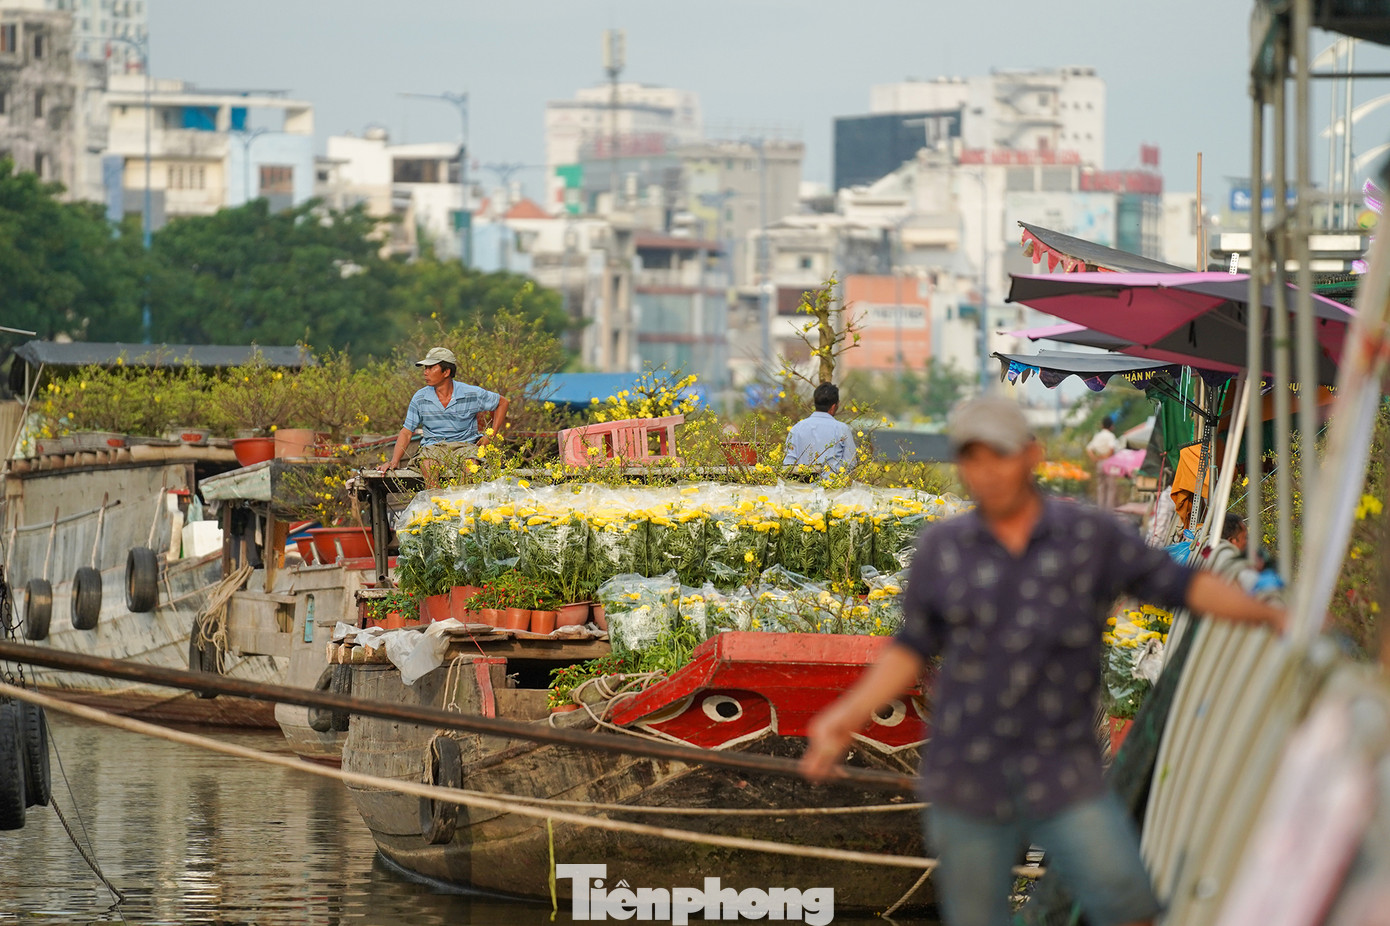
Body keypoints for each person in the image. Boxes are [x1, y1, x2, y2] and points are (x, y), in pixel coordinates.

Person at [800, 395, 1284, 926]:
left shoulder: (1089, 538)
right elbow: (911, 649)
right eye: (972, 458)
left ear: (1032, 454)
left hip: (1063, 770)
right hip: (967, 774)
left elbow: (1183, 586)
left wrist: (1270, 617)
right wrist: (844, 717)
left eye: (999, 456)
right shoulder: (944, 548)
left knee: (1131, 905)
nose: (985, 472)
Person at [378, 347, 509, 487]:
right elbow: (406, 431)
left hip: (465, 445)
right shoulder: (420, 398)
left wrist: (491, 435)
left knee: (469, 469)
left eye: (430, 368)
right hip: (433, 447)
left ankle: (461, 506)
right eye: (425, 368)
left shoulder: (470, 393)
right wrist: (394, 461)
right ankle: (436, 505)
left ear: (446, 372)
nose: (425, 372)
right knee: (429, 467)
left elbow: (502, 402)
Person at [782, 383, 857, 472]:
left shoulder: (797, 428)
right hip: (833, 485)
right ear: (833, 407)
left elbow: (789, 464)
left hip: (801, 484)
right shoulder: (842, 429)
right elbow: (851, 463)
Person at [1086, 415, 1119, 509]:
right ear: (1112, 426)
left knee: (1101, 486)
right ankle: (1108, 511)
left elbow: (1089, 449)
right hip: (1110, 462)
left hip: (1099, 463)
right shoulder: (1111, 436)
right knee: (1111, 487)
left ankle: (1101, 509)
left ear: (1102, 425)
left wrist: (1095, 458)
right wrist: (1106, 456)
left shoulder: (1098, 436)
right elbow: (1112, 449)